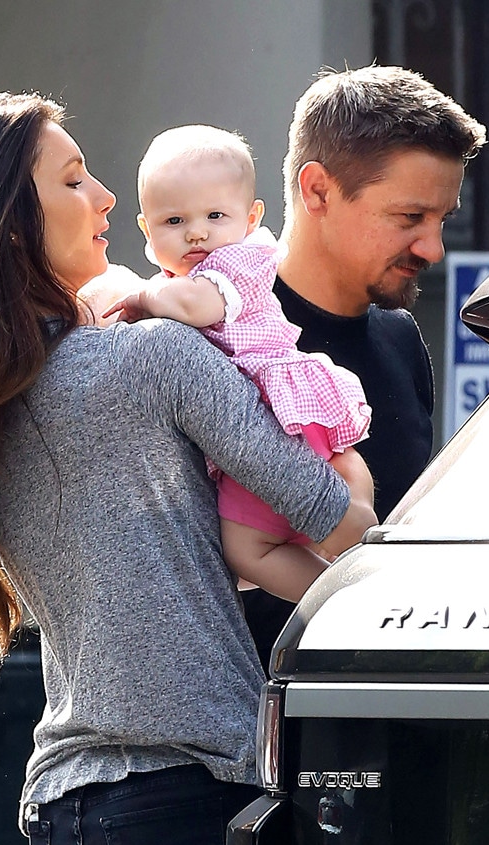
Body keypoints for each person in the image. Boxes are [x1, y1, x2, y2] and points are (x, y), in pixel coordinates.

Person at [0, 92, 376, 845]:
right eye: (73, 180)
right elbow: (324, 514)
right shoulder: (153, 359)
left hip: (61, 834)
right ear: (8, 221)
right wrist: (355, 454)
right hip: (194, 804)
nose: (108, 196)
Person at [243, 63, 487, 667]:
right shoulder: (217, 337)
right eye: (409, 219)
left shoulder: (401, 338)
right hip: (236, 734)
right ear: (318, 190)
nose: (432, 248)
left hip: (388, 716)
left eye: (441, 220)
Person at [105, 124, 372, 603]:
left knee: (248, 551)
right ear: (146, 228)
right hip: (266, 423)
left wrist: (145, 295)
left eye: (214, 215)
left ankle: (340, 600)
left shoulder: (240, 261)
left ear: (251, 217)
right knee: (331, 481)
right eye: (173, 222)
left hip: (273, 412)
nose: (197, 232)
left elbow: (198, 307)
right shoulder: (181, 277)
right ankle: (355, 554)